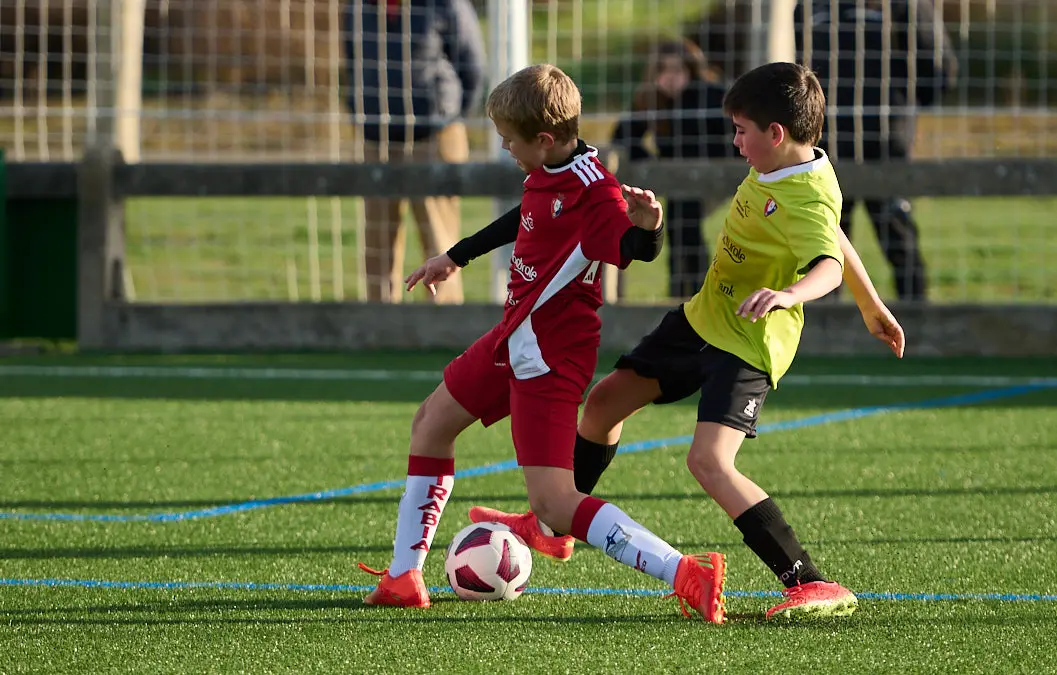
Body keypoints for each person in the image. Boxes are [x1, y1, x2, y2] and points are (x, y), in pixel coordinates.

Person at [470, 62, 907, 621]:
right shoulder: (788, 166)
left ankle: (810, 581)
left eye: (742, 130)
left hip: (748, 342)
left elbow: (825, 258)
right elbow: (838, 237)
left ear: (775, 134)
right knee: (603, 404)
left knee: (708, 461)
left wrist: (789, 294)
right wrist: (873, 307)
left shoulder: (807, 192)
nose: (735, 140)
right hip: (702, 319)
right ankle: (553, 524)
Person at [356, 64, 728, 624]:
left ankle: (687, 574)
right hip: (515, 336)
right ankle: (404, 577)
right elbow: (527, 214)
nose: (505, 147)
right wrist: (454, 256)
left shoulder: (595, 190)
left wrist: (649, 226)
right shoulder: (551, 167)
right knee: (430, 423)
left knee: (553, 502)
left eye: (509, 140)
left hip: (552, 357)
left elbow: (631, 247)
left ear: (545, 139)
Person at [802, 0, 958, 301]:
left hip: (885, 144)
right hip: (826, 144)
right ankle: (824, 331)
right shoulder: (811, 8)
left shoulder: (904, 8)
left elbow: (939, 68)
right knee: (825, 241)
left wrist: (901, 112)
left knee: (897, 235)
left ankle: (916, 323)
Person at [343, 0, 486, 303]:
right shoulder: (357, 6)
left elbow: (473, 66)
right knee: (377, 244)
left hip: (434, 137)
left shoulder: (445, 4)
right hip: (376, 139)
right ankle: (379, 327)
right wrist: (359, 110)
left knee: (440, 241)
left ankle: (444, 329)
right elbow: (353, 61)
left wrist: (448, 117)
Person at [611, 39, 738, 298]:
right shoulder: (651, 100)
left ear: (691, 70)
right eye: (663, 71)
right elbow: (622, 136)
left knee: (685, 224)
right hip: (678, 180)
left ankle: (696, 293)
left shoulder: (709, 95)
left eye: (678, 70)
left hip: (717, 172)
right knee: (680, 226)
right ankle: (682, 293)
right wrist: (653, 162)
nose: (670, 78)